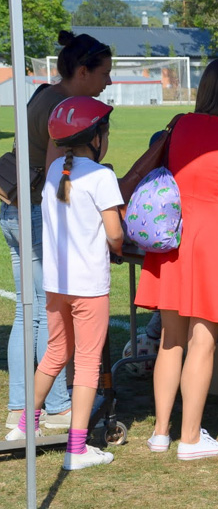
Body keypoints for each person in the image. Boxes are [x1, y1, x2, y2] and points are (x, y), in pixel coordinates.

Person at [134, 58, 218, 461]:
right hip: (214, 237)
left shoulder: (180, 124)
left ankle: (161, 432)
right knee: (203, 341)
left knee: (170, 340)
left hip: (172, 233)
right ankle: (190, 438)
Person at [5, 96, 124, 471]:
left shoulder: (57, 167)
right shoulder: (102, 176)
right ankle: (77, 448)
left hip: (57, 283)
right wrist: (118, 246)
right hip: (89, 285)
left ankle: (23, 426)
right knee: (87, 360)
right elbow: (115, 233)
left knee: (56, 352)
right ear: (96, 137)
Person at [2, 31, 111, 432]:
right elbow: (56, 176)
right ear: (82, 71)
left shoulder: (44, 93)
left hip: (12, 207)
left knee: (26, 312)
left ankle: (21, 408)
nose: (108, 82)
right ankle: (58, 405)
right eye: (104, 73)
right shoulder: (64, 105)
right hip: (33, 211)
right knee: (48, 316)